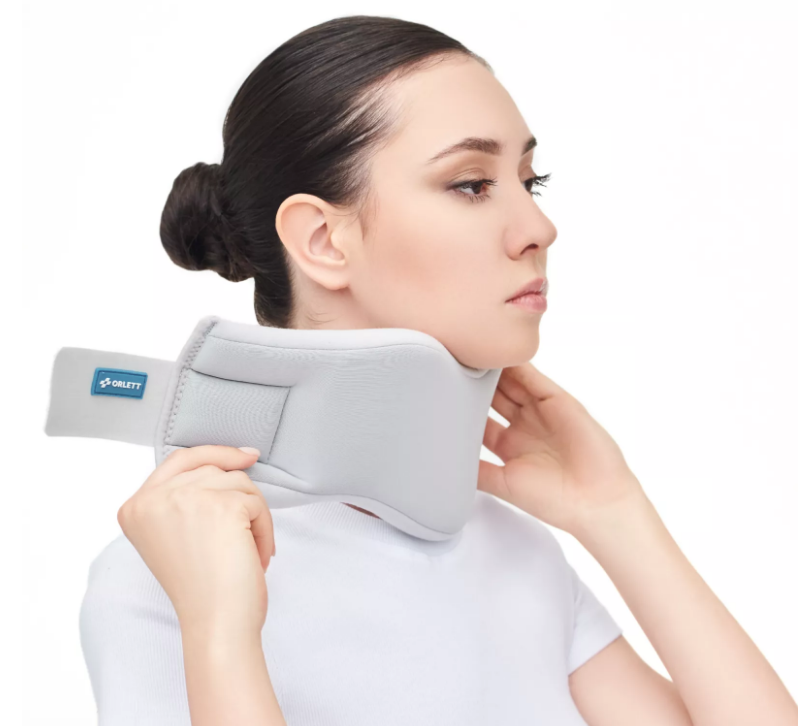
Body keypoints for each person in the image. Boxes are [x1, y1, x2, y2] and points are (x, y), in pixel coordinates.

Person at [80, 14, 798, 726]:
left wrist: (614, 511)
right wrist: (220, 632)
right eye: (472, 184)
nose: (539, 229)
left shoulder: (518, 555)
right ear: (323, 240)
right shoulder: (168, 580)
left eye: (532, 181)